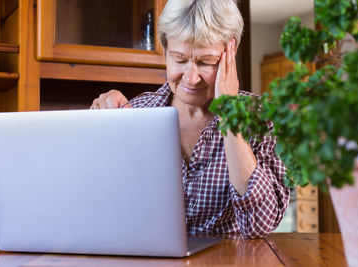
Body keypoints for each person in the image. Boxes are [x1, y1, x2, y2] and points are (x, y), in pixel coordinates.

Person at [90, 0, 290, 238]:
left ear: (231, 54)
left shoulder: (262, 119)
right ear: (165, 52)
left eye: (206, 62)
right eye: (179, 59)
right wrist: (96, 132)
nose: (191, 78)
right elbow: (102, 206)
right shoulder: (136, 113)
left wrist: (229, 115)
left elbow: (259, 224)